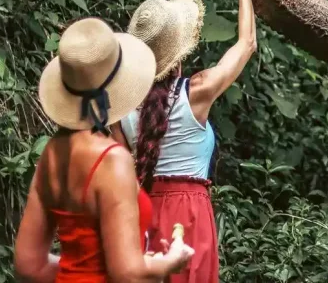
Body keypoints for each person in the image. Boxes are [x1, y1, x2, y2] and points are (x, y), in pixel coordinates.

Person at [113, 0, 256, 283]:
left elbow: (120, 173)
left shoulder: (121, 107)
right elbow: (246, 44)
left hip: (141, 210)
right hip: (189, 214)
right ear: (180, 52)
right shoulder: (197, 91)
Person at [14, 17, 195, 283]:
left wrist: (79, 272)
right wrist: (169, 262)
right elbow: (127, 274)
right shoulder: (112, 161)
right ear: (115, 87)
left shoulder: (51, 154)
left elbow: (29, 264)